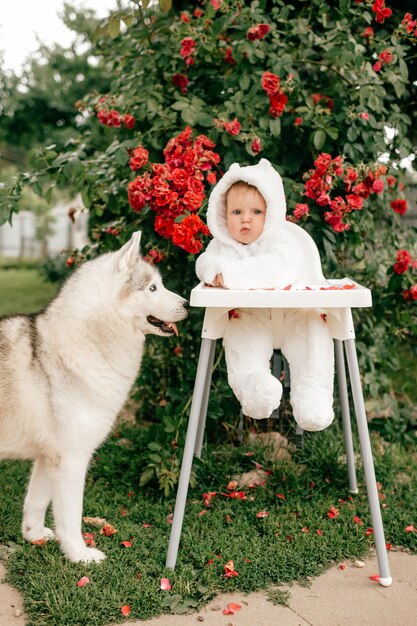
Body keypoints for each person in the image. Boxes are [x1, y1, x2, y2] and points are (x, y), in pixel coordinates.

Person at [195, 158, 334, 431]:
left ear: (271, 213)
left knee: (314, 338)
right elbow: (204, 264)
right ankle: (254, 388)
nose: (246, 219)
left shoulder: (284, 241)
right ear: (223, 215)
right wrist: (215, 272)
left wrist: (233, 276)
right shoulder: (222, 247)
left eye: (256, 212)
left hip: (297, 315)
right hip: (251, 317)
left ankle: (312, 395)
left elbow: (276, 269)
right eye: (236, 212)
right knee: (241, 339)